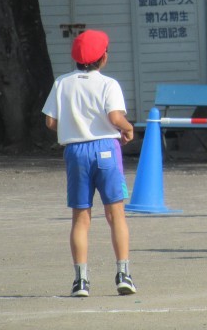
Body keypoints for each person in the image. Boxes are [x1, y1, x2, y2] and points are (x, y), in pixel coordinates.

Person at [42, 30, 137, 297]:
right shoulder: (108, 84)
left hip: (75, 151)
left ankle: (81, 280)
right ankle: (123, 274)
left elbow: (50, 121)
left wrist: (73, 127)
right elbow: (115, 117)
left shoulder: (62, 83)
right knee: (115, 214)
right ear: (103, 57)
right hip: (105, 148)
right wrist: (128, 128)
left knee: (81, 217)